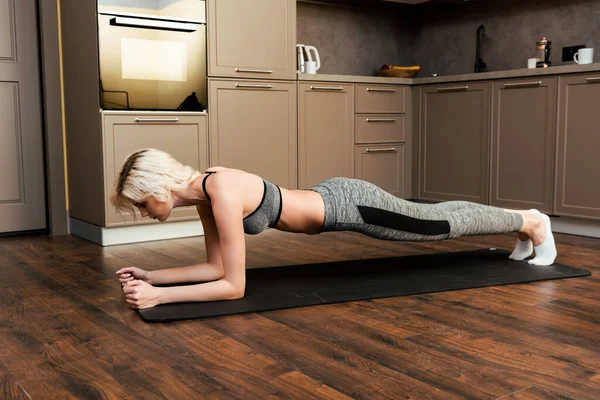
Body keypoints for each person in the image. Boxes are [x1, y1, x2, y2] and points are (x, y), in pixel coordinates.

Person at [112, 148, 557, 309]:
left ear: (158, 187)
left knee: (439, 224)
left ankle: (530, 222)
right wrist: (155, 277)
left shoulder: (220, 190)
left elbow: (233, 286)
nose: (143, 211)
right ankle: (522, 225)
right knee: (436, 216)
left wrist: (160, 297)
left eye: (140, 202)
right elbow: (214, 267)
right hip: (334, 197)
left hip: (352, 206)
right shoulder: (205, 194)